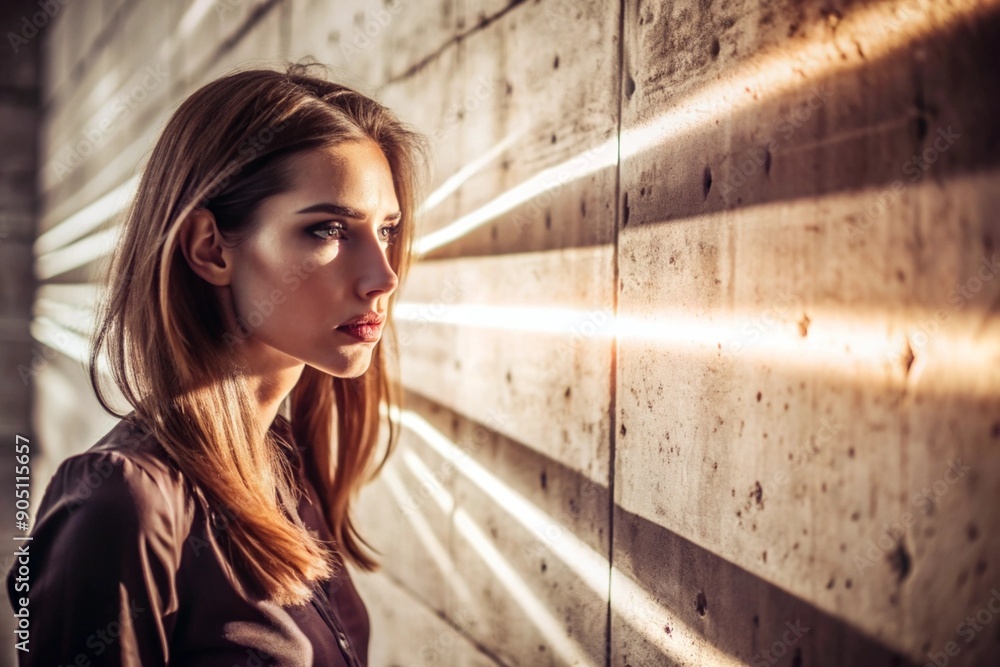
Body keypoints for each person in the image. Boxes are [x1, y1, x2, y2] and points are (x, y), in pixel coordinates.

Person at [5, 60, 427, 666]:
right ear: (210, 248)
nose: (383, 277)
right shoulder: (124, 504)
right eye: (329, 228)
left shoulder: (285, 461)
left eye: (387, 230)